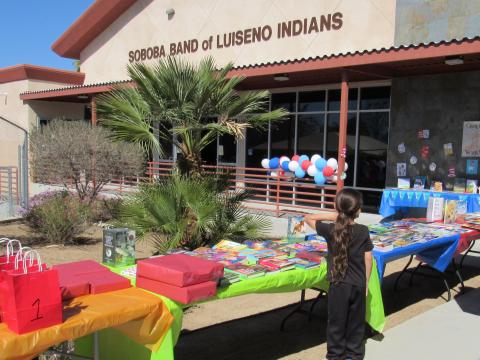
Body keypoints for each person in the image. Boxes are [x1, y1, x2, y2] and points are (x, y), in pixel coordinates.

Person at [304, 188, 373, 360]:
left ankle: (335, 356)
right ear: (358, 211)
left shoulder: (330, 230)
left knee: (336, 324)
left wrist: (336, 215)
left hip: (338, 285)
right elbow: (368, 258)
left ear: (337, 208)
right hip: (358, 284)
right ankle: (354, 355)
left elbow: (308, 218)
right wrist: (366, 282)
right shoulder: (363, 230)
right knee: (356, 324)